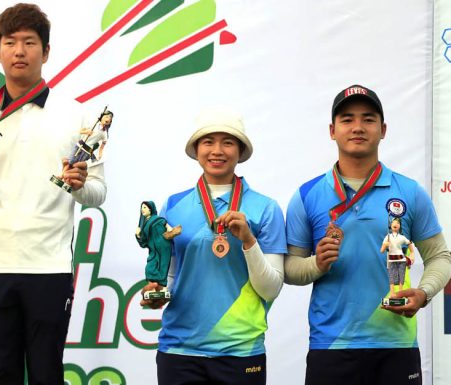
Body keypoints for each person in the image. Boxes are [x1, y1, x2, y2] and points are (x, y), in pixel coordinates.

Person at [0, 4, 106, 383]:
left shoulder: (78, 116)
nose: (19, 51)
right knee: (1, 374)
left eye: (29, 42)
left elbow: (98, 193)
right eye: (10, 42)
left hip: (49, 266)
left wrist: (80, 184)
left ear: (46, 51)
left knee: (46, 374)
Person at [283, 84, 451, 385]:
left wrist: (424, 293)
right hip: (330, 346)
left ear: (383, 129)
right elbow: (289, 269)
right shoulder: (307, 195)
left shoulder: (409, 192)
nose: (358, 127)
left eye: (368, 119)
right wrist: (316, 264)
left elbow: (440, 256)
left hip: (396, 346)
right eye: (347, 119)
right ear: (332, 130)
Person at [141, 108, 286, 385]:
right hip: (179, 348)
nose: (217, 150)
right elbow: (169, 275)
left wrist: (248, 240)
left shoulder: (265, 208)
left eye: (228, 142)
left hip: (241, 349)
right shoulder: (173, 205)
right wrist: (158, 291)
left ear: (240, 151)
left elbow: (271, 288)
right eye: (208, 141)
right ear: (196, 149)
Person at [135, 200, 180, 299]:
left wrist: (172, 231)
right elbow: (144, 242)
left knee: (163, 265)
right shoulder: (144, 224)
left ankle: (163, 288)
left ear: (150, 209)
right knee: (150, 267)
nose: (143, 210)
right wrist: (138, 235)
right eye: (142, 207)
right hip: (153, 249)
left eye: (145, 207)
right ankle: (152, 288)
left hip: (164, 245)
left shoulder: (158, 219)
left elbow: (167, 227)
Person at [381, 218, 416, 303]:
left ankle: (400, 294)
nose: (395, 224)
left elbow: (410, 244)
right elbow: (381, 251)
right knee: (392, 278)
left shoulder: (402, 237)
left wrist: (412, 254)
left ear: (400, 226)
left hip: (401, 259)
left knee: (401, 277)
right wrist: (385, 245)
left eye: (397, 223)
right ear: (390, 225)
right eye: (393, 222)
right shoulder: (387, 237)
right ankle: (392, 294)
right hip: (391, 260)